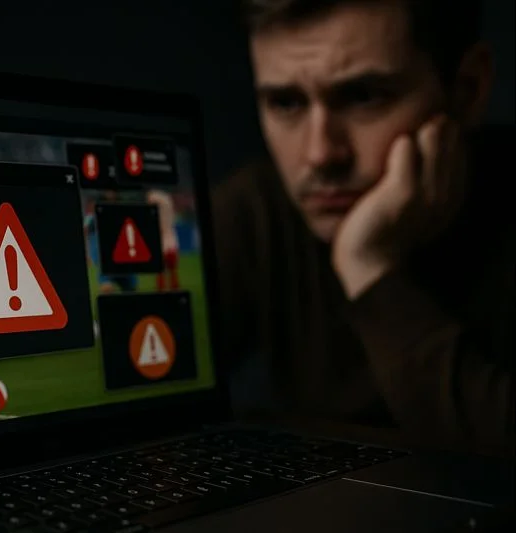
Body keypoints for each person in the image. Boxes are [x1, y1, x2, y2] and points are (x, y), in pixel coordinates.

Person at [213, 0, 514, 457]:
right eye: (286, 103)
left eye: (364, 97)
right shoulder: (254, 209)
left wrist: (369, 266)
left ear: (468, 89)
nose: (320, 154)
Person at [146, 189, 180, 290]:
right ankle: (173, 288)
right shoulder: (168, 203)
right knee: (172, 270)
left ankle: (161, 289)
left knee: (161, 269)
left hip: (163, 241)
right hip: (171, 240)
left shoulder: (156, 201)